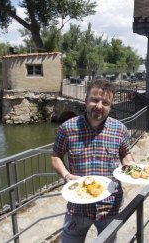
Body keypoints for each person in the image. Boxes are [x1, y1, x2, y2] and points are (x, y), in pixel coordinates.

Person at [51, 79, 135, 242]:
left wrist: (129, 164)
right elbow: (56, 156)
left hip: (110, 206)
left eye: (105, 102)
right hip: (78, 206)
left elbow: (126, 154)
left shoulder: (120, 129)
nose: (99, 106)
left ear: (110, 106)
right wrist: (66, 175)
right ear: (85, 100)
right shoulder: (67, 128)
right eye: (95, 100)